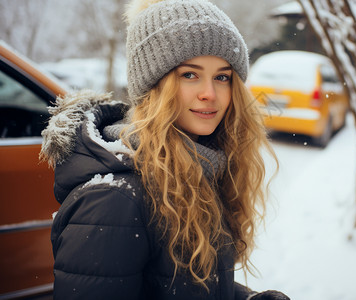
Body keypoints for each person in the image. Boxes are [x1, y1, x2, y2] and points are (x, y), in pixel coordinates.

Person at [40, 0, 290, 299]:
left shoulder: (199, 168)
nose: (210, 93)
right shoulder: (116, 199)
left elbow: (182, 285)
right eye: (190, 74)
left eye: (222, 77)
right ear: (153, 86)